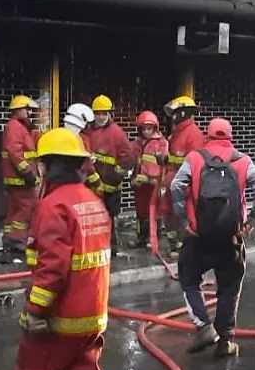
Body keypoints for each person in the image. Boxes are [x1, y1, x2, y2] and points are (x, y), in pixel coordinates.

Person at [0, 128, 112, 370]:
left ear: (47, 166)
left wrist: (34, 310)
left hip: (59, 319)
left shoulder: (53, 206)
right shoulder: (93, 202)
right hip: (93, 317)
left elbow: (53, 269)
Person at [170, 118, 255, 358]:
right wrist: (252, 222)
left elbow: (176, 186)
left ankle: (204, 326)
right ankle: (225, 340)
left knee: (189, 278)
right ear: (229, 135)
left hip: (198, 235)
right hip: (230, 238)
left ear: (208, 135)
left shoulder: (194, 158)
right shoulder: (243, 161)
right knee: (229, 286)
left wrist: (183, 222)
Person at [83, 95, 134, 249]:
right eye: (98, 113)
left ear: (109, 114)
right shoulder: (87, 131)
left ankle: (110, 247)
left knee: (108, 217)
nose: (101, 116)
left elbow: (128, 158)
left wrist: (117, 175)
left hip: (111, 187)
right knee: (91, 218)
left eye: (104, 113)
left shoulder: (117, 133)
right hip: (91, 184)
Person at [160, 95, 205, 258]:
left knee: (181, 216)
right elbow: (173, 159)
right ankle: (174, 246)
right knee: (168, 213)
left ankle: (183, 248)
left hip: (182, 185)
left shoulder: (194, 135)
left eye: (175, 113)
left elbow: (196, 165)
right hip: (172, 182)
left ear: (184, 113)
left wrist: (188, 186)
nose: (172, 117)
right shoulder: (177, 133)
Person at [0, 95, 41, 263]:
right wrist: (28, 173)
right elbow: (15, 153)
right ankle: (17, 241)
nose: (30, 112)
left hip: (17, 179)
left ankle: (10, 239)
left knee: (15, 210)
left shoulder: (21, 127)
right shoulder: (15, 127)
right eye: (28, 109)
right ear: (18, 110)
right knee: (26, 209)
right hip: (21, 179)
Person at [128, 111, 169, 250]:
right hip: (140, 184)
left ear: (155, 128)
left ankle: (153, 238)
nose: (147, 132)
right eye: (144, 129)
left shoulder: (162, 144)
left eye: (149, 129)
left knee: (154, 212)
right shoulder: (136, 144)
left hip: (154, 184)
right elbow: (131, 162)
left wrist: (161, 183)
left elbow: (164, 164)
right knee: (140, 212)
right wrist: (132, 178)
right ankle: (141, 237)